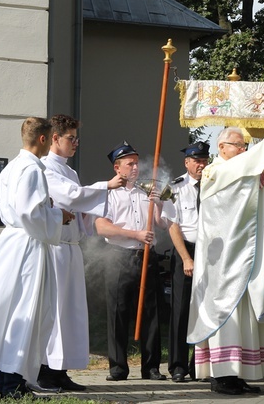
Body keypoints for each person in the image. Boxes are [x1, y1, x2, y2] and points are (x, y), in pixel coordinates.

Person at [0, 117, 75, 400]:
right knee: (24, 314)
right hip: (29, 248)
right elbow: (29, 214)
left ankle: (6, 383)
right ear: (44, 139)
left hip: (14, 244)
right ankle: (11, 386)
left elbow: (13, 209)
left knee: (8, 314)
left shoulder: (13, 167)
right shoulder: (32, 170)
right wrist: (60, 215)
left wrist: (47, 212)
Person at [187, 128, 264, 395]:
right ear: (222, 146)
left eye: (245, 146)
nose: (243, 150)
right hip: (220, 264)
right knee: (223, 316)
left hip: (243, 257)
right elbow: (228, 205)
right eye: (238, 145)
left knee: (243, 315)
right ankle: (220, 375)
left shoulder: (241, 171)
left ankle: (237, 374)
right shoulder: (213, 171)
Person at [33, 114, 126, 392]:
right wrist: (104, 186)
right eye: (71, 138)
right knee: (56, 310)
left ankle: (60, 370)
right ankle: (45, 370)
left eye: (77, 138)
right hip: (55, 249)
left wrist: (92, 212)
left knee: (71, 312)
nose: (75, 143)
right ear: (55, 138)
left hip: (71, 249)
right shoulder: (45, 168)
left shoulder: (70, 171)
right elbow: (71, 196)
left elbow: (78, 203)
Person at [94, 141, 168, 382]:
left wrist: (159, 204)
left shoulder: (146, 191)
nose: (136, 167)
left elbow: (159, 223)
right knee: (118, 312)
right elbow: (102, 226)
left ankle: (151, 367)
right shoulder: (109, 194)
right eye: (130, 163)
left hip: (147, 257)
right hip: (119, 256)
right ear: (118, 168)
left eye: (137, 162)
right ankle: (118, 367)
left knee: (151, 312)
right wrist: (135, 235)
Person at [163, 141, 210, 382]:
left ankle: (199, 364)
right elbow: (173, 226)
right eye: (197, 160)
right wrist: (185, 258)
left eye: (204, 160)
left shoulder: (214, 185)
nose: (202, 165)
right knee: (181, 310)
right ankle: (178, 365)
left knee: (206, 310)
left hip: (210, 252)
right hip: (186, 250)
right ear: (187, 162)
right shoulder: (175, 188)